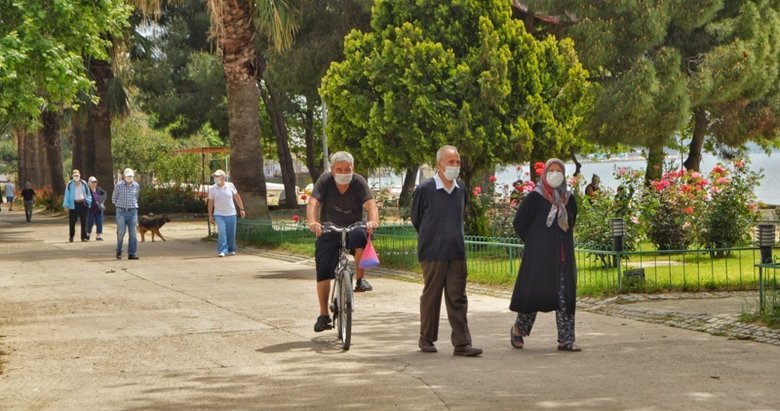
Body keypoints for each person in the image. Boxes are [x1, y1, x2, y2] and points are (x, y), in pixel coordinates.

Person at [411, 145, 483, 357]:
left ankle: (462, 343)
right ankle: (426, 338)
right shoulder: (425, 189)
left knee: (457, 297)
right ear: (439, 164)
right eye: (451, 162)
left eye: (457, 162)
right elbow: (416, 219)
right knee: (432, 296)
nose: (455, 166)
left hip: (456, 251)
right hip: (433, 251)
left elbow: (462, 213)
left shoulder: (461, 187)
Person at [509, 158, 581, 352]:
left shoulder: (569, 198)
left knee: (565, 297)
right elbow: (519, 223)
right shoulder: (534, 197)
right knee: (535, 295)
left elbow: (571, 221)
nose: (555, 174)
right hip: (540, 257)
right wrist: (535, 242)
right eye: (552, 170)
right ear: (544, 174)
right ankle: (518, 329)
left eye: (559, 171)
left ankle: (566, 339)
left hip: (563, 256)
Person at [307, 151, 379, 333]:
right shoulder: (325, 181)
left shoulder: (358, 181)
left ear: (352, 168)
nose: (344, 172)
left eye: (347, 169)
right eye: (339, 169)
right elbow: (313, 203)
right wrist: (313, 222)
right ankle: (324, 315)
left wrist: (373, 221)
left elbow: (371, 204)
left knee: (361, 236)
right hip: (329, 229)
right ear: (332, 170)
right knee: (323, 270)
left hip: (354, 226)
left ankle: (360, 279)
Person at [207, 169, 246, 257]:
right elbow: (210, 202)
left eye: (217, 176)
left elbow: (237, 197)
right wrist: (210, 215)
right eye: (215, 176)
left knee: (231, 233)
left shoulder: (230, 185)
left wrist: (241, 209)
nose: (216, 178)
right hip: (219, 214)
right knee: (222, 232)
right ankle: (222, 250)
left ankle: (231, 249)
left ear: (223, 177)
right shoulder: (212, 189)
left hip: (231, 214)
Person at [112, 168, 140, 260]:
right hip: (121, 211)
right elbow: (114, 198)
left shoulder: (136, 185)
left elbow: (136, 196)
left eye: (131, 176)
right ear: (124, 176)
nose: (130, 178)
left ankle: (132, 253)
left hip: (133, 211)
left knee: (133, 233)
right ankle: (119, 250)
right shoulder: (119, 185)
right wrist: (119, 207)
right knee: (121, 232)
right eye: (128, 176)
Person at [62, 170, 92, 242]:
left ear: (80, 175)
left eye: (77, 175)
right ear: (72, 176)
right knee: (72, 221)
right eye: (75, 175)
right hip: (73, 204)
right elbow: (67, 195)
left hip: (83, 203)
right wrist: (66, 205)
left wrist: (88, 201)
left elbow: (88, 194)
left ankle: (83, 237)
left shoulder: (84, 183)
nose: (76, 177)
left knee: (84, 221)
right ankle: (71, 236)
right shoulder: (70, 184)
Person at [86, 176, 107, 241]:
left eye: (95, 182)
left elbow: (104, 194)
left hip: (98, 209)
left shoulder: (98, 189)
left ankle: (98, 236)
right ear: (89, 183)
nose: (94, 183)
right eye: (92, 182)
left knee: (99, 222)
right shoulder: (87, 190)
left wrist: (101, 200)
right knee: (90, 222)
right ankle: (88, 235)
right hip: (90, 209)